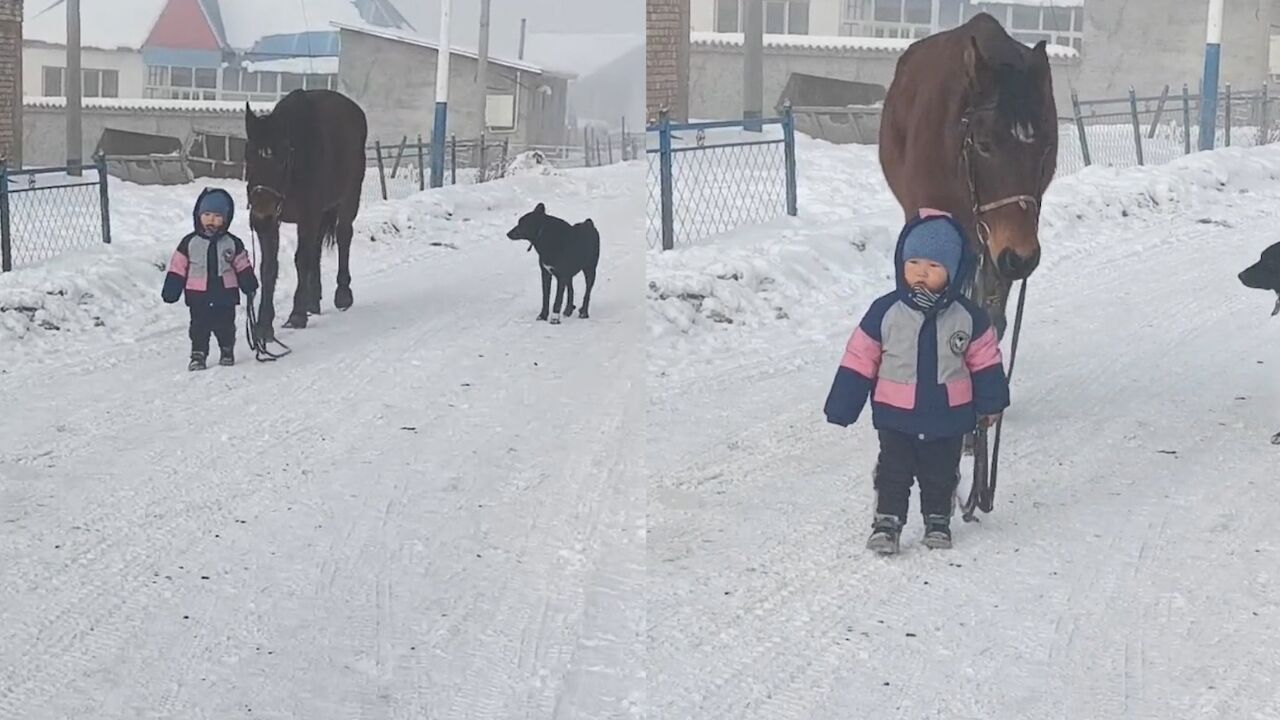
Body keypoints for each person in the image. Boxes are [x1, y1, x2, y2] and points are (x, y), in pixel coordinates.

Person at [824, 211, 1010, 554]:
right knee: (894, 471)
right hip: (896, 415)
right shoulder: (885, 311)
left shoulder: (969, 317)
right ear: (901, 263)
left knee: (940, 472)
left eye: (934, 266)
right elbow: (860, 359)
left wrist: (991, 402)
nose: (922, 272)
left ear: (954, 272)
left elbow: (985, 362)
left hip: (948, 414)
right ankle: (887, 521)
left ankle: (938, 518)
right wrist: (843, 403)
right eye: (914, 262)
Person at [161, 187, 259, 371]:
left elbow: (242, 265)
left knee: (226, 325)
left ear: (226, 218)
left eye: (217, 216)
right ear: (198, 216)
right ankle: (198, 354)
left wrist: (248, 282)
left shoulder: (232, 243)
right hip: (198, 295)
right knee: (199, 327)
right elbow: (178, 267)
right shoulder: (189, 242)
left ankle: (226, 349)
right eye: (206, 214)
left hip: (225, 294)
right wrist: (172, 288)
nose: (211, 220)